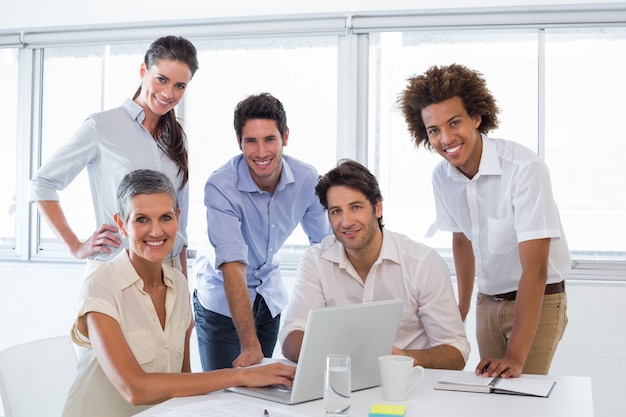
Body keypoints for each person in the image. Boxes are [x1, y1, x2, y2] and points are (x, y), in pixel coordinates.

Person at [62, 169, 295, 417]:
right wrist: (241, 377)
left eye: (165, 217)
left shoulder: (178, 284)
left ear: (177, 218)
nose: (156, 231)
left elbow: (182, 381)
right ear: (122, 224)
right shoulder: (100, 287)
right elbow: (135, 389)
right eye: (141, 219)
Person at [398, 63, 570, 378]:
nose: (446, 138)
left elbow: (535, 269)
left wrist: (516, 357)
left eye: (454, 123)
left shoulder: (524, 168)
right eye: (434, 130)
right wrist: (458, 315)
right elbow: (462, 242)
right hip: (487, 302)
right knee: (490, 400)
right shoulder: (442, 177)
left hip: (540, 298)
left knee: (518, 393)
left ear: (476, 117)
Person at [30, 35, 198, 275]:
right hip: (117, 271)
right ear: (143, 70)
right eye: (162, 79)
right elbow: (42, 184)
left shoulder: (178, 139)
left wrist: (182, 286)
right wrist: (76, 246)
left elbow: (181, 224)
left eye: (180, 86)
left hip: (169, 272)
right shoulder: (101, 127)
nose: (168, 93)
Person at [279, 159, 470, 370]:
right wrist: (343, 357)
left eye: (356, 207)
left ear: (377, 208)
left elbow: (456, 351)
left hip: (409, 386)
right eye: (336, 211)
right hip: (343, 384)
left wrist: (401, 358)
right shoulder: (315, 260)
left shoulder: (422, 262)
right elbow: (291, 336)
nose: (346, 221)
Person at [193, 92, 332, 371]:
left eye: (269, 139)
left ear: (285, 137)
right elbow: (232, 267)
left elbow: (326, 248)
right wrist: (249, 345)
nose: (260, 152)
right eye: (251, 141)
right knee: (224, 396)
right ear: (239, 142)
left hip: (268, 299)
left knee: (261, 399)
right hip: (220, 303)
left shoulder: (306, 180)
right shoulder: (221, 187)